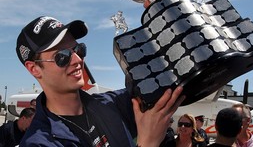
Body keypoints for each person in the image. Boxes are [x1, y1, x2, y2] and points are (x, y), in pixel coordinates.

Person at [16, 16, 185, 147]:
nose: (77, 60)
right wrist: (148, 143)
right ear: (34, 69)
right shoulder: (40, 142)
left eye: (78, 49)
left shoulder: (112, 105)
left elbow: (165, 75)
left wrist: (163, 16)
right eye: (62, 56)